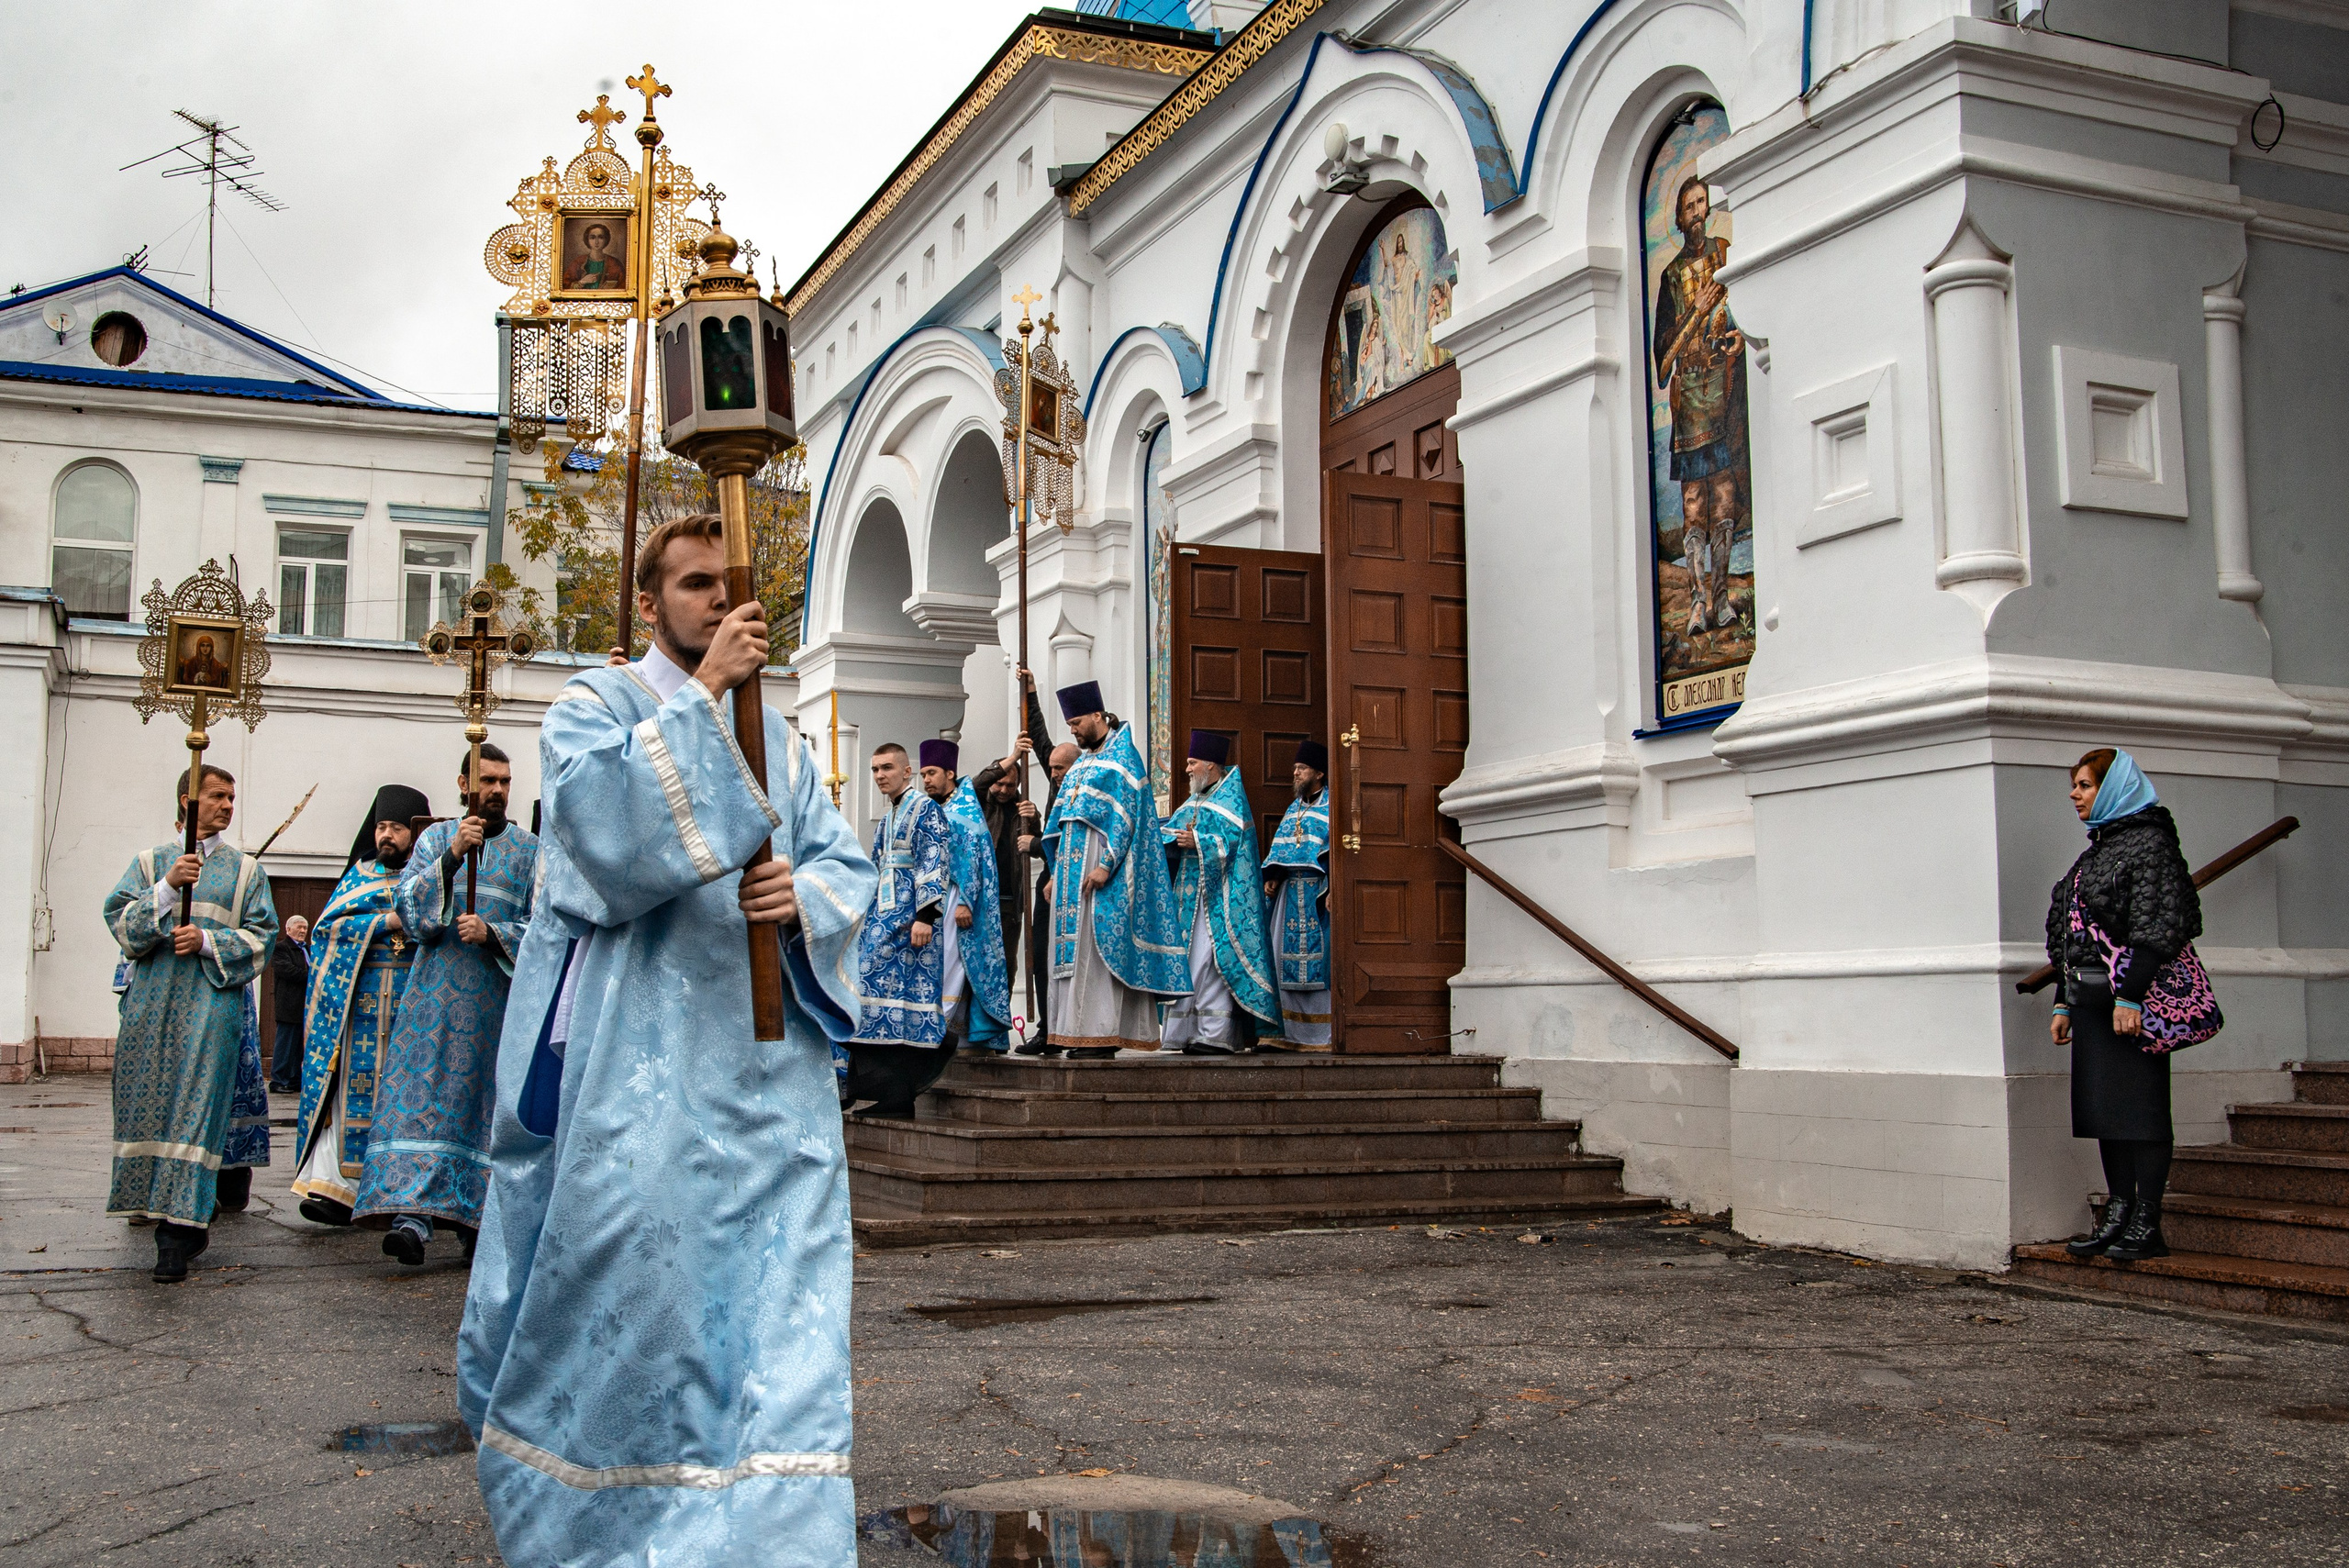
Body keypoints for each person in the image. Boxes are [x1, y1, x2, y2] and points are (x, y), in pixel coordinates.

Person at [459, 512, 873, 1566]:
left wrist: (802, 895)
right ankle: (610, 1525)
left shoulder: (779, 738)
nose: (715, 605)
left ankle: (766, 1532)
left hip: (765, 1074)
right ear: (650, 602)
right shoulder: (592, 705)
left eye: (725, 588)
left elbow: (843, 864)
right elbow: (597, 835)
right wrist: (701, 699)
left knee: (774, 1299)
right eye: (692, 586)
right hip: (636, 1074)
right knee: (637, 1292)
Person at [356, 747, 537, 1266]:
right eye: (488, 781)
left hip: (495, 1010)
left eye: (506, 781)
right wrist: (453, 855)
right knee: (420, 1106)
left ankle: (476, 1223)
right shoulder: (436, 840)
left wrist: (495, 932)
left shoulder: (530, 851)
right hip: (432, 1006)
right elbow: (409, 912)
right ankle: (411, 1219)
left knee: (484, 1112)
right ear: (464, 784)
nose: (499, 790)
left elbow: (547, 932)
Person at [101, 766, 278, 1283]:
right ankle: (167, 1214)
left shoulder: (247, 873)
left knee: (196, 1115)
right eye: (217, 796)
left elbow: (263, 939)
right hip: (150, 1011)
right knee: (148, 1111)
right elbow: (118, 922)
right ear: (187, 800)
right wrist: (164, 890)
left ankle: (177, 1235)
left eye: (231, 797)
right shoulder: (149, 863)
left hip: (209, 1012)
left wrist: (205, 941)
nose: (227, 805)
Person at [2048, 749, 2205, 1265]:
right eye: (2075, 785)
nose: (2075, 794)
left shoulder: (2150, 845)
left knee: (2142, 1112)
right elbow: (2073, 934)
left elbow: (2159, 926)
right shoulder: (2098, 850)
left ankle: (2146, 1221)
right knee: (2106, 1112)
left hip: (2130, 1003)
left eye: (2086, 785)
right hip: (2093, 1003)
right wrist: (2064, 1003)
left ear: (2115, 788)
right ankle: (2117, 1213)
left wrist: (2130, 995)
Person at [291, 785, 426, 1226]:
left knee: (404, 1098)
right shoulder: (360, 874)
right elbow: (327, 932)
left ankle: (397, 1191)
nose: (387, 836)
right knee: (350, 1091)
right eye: (382, 827)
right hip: (360, 1003)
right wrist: (385, 922)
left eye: (398, 828)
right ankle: (336, 1190)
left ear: (416, 831)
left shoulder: (430, 874)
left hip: (411, 1005)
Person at [1039, 681, 1188, 1056]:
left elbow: (1128, 818)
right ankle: (1074, 1033)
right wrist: (1057, 872)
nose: (1072, 729)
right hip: (1071, 872)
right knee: (1070, 954)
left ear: (1096, 715)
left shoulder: (1123, 756)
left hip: (1104, 871)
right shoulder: (1081, 765)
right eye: (1069, 724)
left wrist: (1106, 865)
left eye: (1076, 722)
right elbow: (1061, 823)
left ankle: (1101, 1035)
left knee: (1097, 950)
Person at [1652, 174, 1750, 638]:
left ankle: (1722, 596)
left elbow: (1746, 317)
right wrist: (1696, 311)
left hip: (1724, 396)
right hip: (1690, 403)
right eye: (1689, 207)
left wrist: (1735, 338)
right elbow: (1663, 365)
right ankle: (1695, 600)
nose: (1697, 214)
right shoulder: (1671, 278)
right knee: (1694, 501)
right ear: (1678, 218)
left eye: (1702, 204)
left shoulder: (1724, 252)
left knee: (1725, 494)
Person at [847, 740, 953, 1117]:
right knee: (867, 994)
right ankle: (885, 1092)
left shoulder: (925, 809)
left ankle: (898, 1094)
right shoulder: (889, 815)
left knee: (889, 997)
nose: (880, 776)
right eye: (875, 769)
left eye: (887, 768)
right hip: (882, 919)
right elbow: (876, 867)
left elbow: (935, 858)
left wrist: (927, 915)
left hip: (911, 923)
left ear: (907, 771)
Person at [1160, 730, 1281, 1054]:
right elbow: (1176, 831)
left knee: (1214, 963)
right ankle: (1182, 1032)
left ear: (1210, 764)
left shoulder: (1230, 801)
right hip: (1190, 899)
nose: (1186, 769)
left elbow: (1233, 846)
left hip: (1219, 903)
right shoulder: (1195, 800)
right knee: (1189, 963)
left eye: (1191, 762)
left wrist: (1197, 842)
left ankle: (1216, 1035)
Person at [927, 741, 1015, 1055]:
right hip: (936, 898)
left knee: (954, 961)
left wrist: (965, 899)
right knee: (944, 964)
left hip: (955, 898)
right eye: (923, 774)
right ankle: (954, 1034)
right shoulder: (939, 809)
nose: (926, 780)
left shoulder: (963, 810)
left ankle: (945, 1030)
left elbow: (973, 859)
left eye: (932, 773)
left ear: (950, 773)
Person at [1263, 740, 1332, 1048]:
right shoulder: (1295, 808)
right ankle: (1289, 1034)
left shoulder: (1333, 806)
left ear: (1318, 773)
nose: (1295, 773)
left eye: (1301, 768)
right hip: (1290, 895)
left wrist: (1334, 885)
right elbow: (1283, 847)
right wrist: (1275, 876)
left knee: (1320, 963)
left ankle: (1322, 1036)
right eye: (1294, 768)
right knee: (1281, 960)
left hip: (1318, 895)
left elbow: (1335, 851)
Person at [266, 914, 310, 1092]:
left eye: (305, 928)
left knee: (298, 1048)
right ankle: (278, 1080)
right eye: (299, 927)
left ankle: (293, 1080)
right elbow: (288, 971)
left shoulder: (307, 949)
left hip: (305, 1006)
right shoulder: (281, 948)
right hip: (288, 1005)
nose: (302, 931)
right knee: (285, 1046)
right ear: (288, 929)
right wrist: (313, 976)